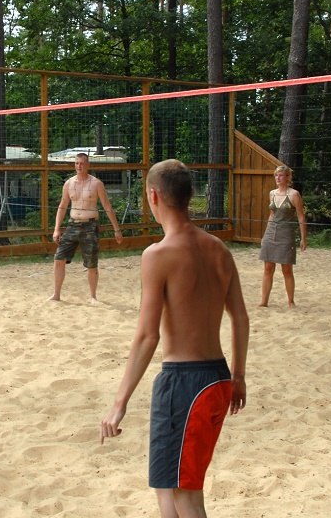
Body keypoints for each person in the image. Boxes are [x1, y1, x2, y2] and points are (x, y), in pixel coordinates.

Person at [101, 160, 249, 518]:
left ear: (153, 196)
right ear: (188, 197)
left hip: (185, 383)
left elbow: (147, 335)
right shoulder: (219, 250)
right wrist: (238, 377)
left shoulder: (158, 255)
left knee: (186, 494)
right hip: (217, 378)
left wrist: (119, 401)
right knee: (167, 484)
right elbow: (240, 317)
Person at [48, 153, 123, 302]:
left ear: (88, 165)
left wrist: (117, 229)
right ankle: (56, 294)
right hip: (72, 224)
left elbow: (107, 206)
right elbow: (62, 206)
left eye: (82, 163)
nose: (79, 166)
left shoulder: (96, 184)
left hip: (90, 225)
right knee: (59, 258)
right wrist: (56, 228)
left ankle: (93, 296)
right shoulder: (69, 183)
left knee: (91, 263)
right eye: (76, 163)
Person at [258, 164, 307, 307]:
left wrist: (304, 238)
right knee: (268, 267)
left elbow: (301, 217)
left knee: (286, 269)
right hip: (271, 233)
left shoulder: (294, 195)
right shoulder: (272, 193)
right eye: (276, 175)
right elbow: (271, 215)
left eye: (280, 175)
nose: (278, 178)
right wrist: (265, 235)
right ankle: (264, 301)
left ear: (287, 177)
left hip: (286, 234)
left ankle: (291, 301)